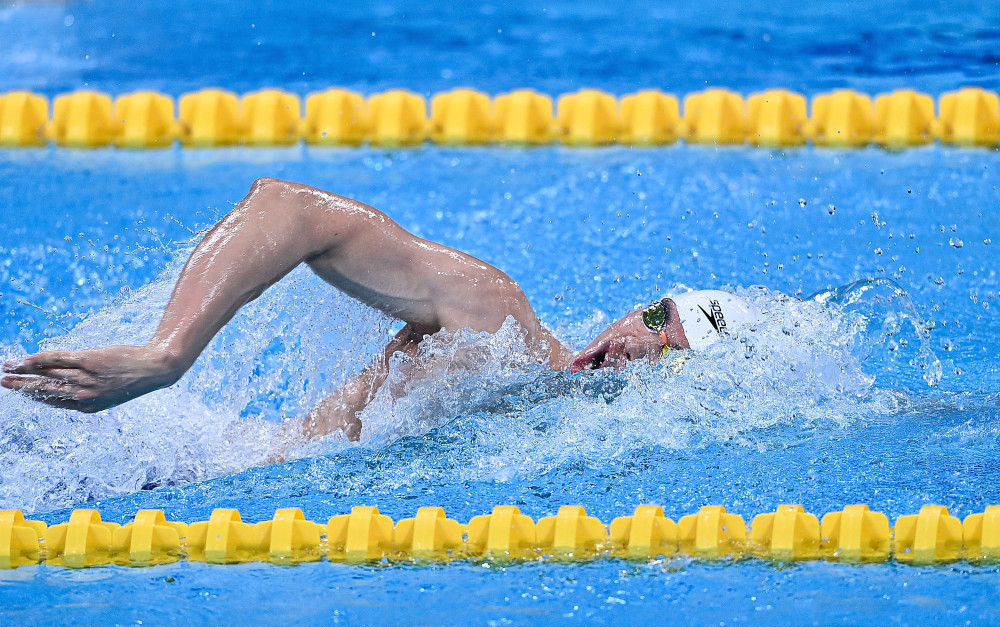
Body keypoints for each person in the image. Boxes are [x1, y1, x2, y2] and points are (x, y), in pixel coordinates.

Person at [0, 179, 761, 440]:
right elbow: (290, 208)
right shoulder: (504, 327)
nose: (641, 343)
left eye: (674, 351)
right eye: (657, 317)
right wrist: (166, 355)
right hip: (172, 455)